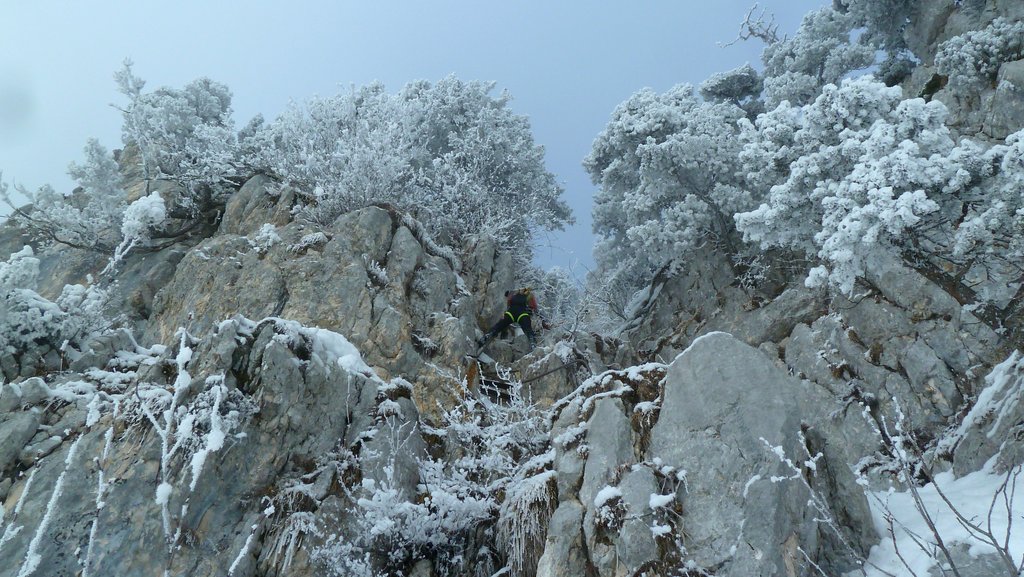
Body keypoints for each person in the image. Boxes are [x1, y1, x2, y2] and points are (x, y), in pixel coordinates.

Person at [477, 287, 548, 351]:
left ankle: (488, 335)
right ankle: (533, 344)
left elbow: (507, 296)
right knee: (528, 330)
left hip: (511, 313)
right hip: (522, 314)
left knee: (499, 325)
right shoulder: (529, 296)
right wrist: (543, 321)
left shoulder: (513, 293)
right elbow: (535, 308)